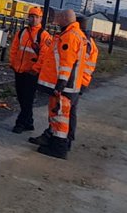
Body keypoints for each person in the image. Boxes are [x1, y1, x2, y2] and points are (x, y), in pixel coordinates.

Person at [29, 9, 85, 159]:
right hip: (67, 85)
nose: (56, 19)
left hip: (64, 86)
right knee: (57, 115)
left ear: (65, 19)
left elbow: (66, 63)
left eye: (59, 17)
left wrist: (60, 84)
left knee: (60, 116)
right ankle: (55, 143)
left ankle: (59, 148)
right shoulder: (72, 34)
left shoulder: (70, 37)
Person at [8, 6, 50, 134]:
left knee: (27, 98)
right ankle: (29, 121)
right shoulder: (21, 33)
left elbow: (44, 55)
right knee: (22, 97)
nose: (33, 19)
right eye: (31, 16)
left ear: (40, 19)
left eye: (36, 17)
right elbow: (14, 49)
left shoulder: (44, 35)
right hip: (19, 70)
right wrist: (13, 63)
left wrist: (35, 69)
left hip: (31, 73)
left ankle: (20, 123)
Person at [67, 16, 99, 148]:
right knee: (71, 110)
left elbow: (75, 62)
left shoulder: (82, 41)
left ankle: (66, 137)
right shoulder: (90, 42)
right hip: (82, 81)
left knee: (67, 111)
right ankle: (69, 136)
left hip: (76, 81)